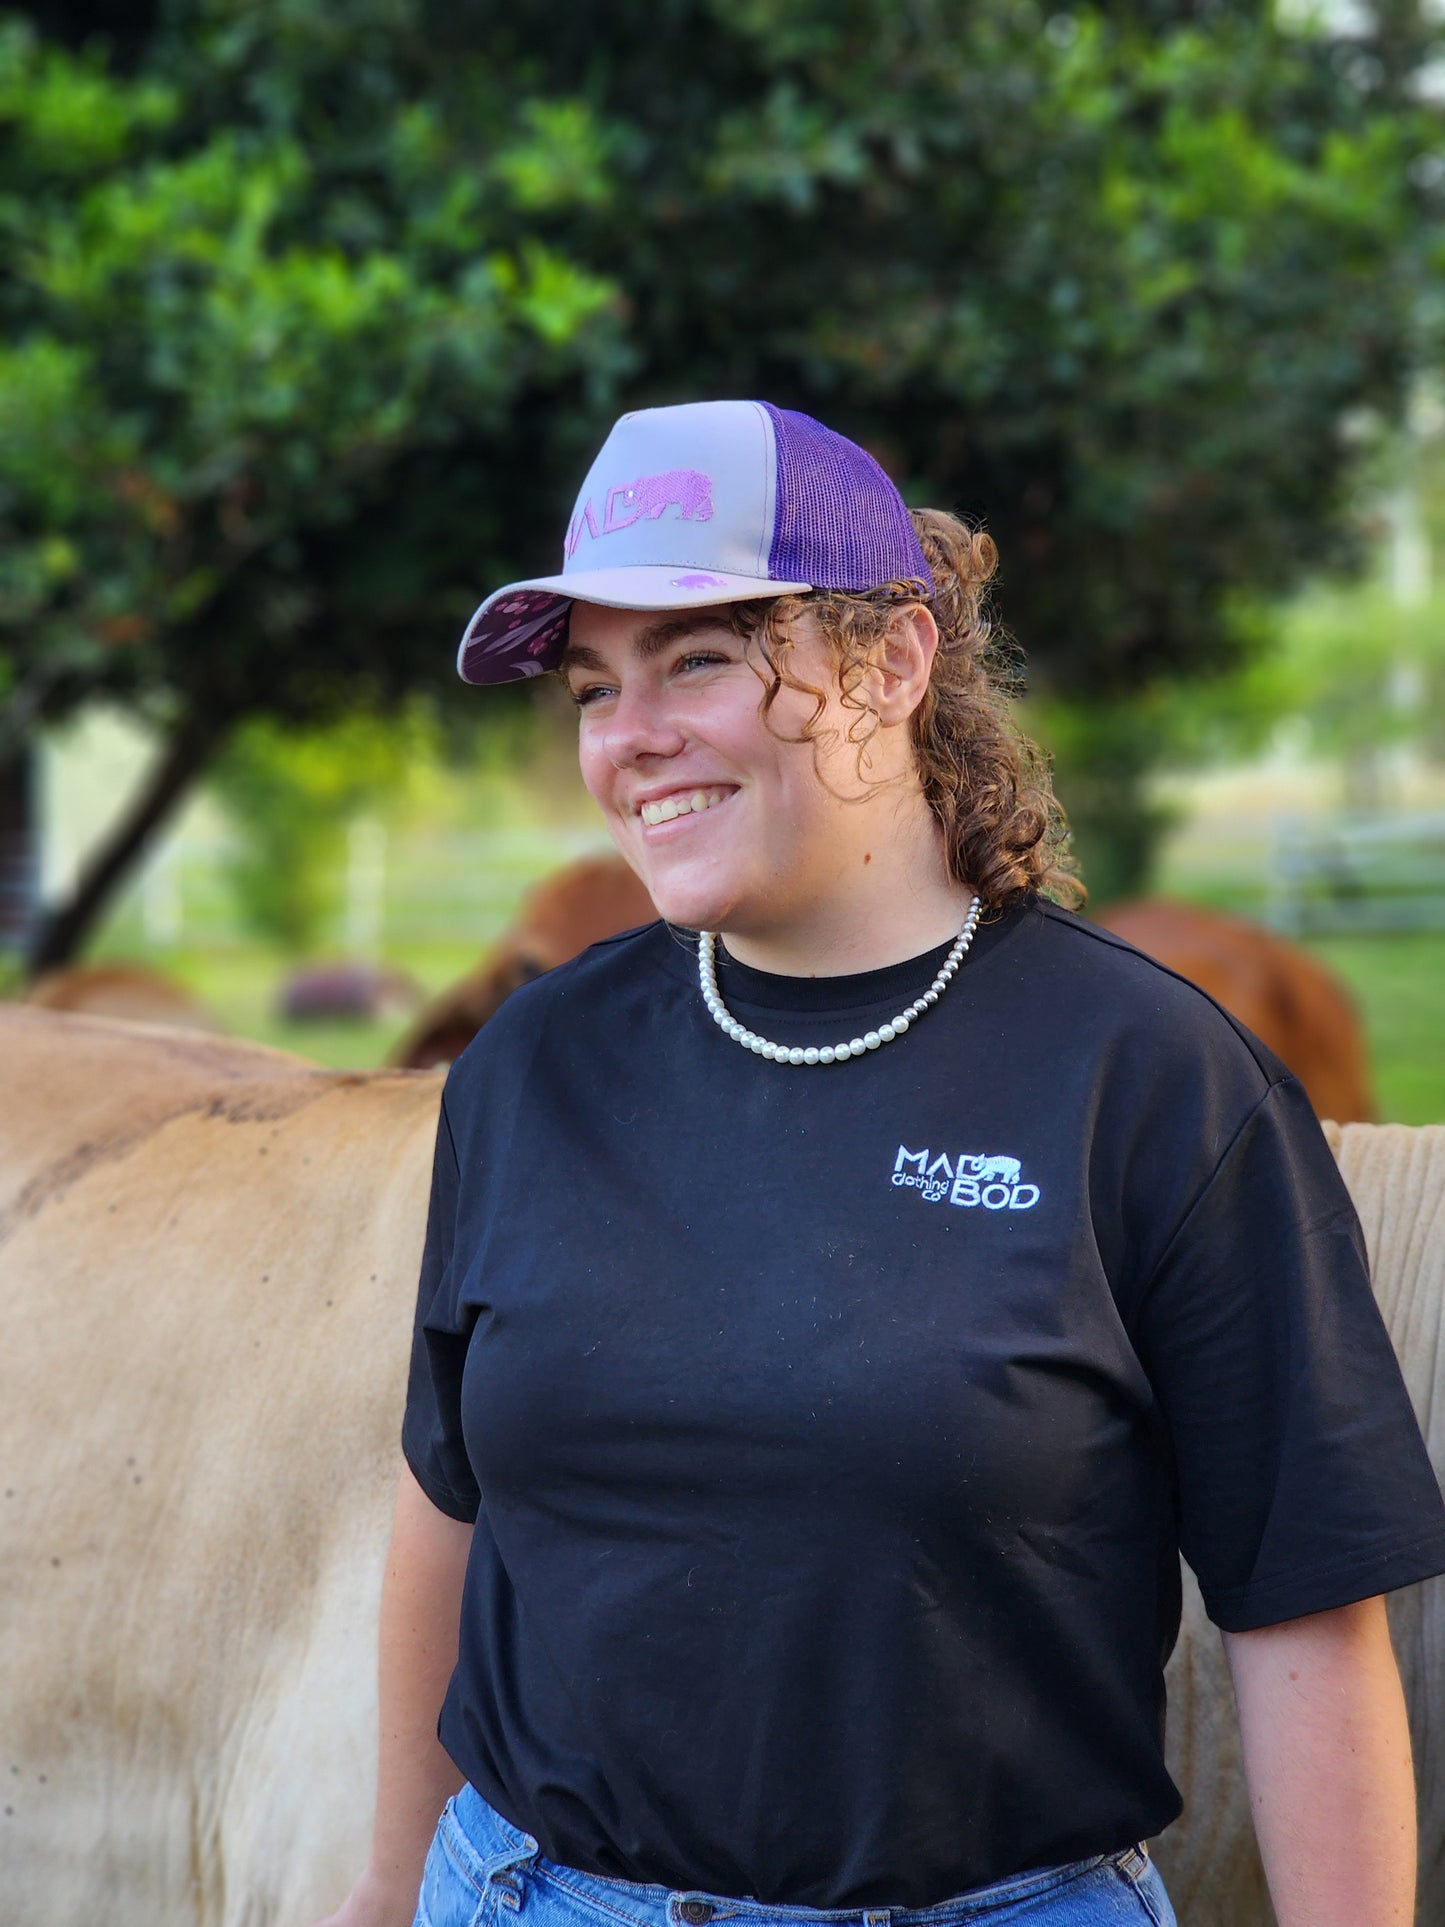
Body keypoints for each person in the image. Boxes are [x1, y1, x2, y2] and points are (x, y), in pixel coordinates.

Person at [319, 401, 1445, 1927]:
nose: (629, 736)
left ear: (893, 664)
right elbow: (445, 1515)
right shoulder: (529, 1069)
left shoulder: (1153, 1083)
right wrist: (384, 1902)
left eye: (700, 658)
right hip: (527, 1898)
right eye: (595, 685)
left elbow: (1305, 1623)